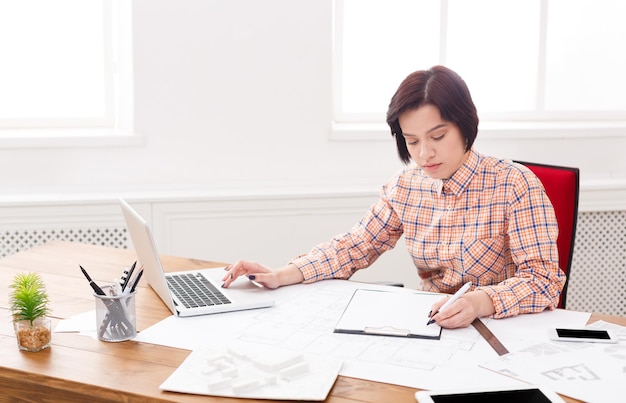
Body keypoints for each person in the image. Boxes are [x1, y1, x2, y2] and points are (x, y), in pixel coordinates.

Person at [222, 65, 565, 329]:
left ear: (466, 126)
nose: (425, 153)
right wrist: (281, 274)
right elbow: (353, 247)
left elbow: (545, 281)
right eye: (412, 141)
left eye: (438, 136)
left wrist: (480, 302)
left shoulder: (514, 184)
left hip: (502, 330)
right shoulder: (405, 188)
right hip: (432, 329)